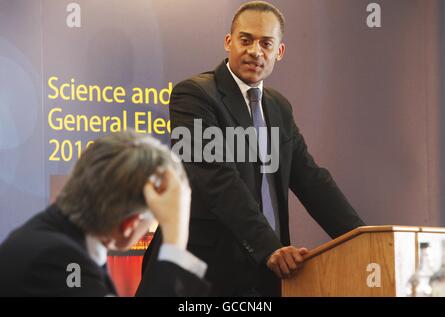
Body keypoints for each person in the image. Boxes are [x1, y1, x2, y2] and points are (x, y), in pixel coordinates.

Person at [142, 1, 366, 296]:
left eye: (266, 43)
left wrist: (364, 242)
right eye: (245, 40)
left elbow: (312, 181)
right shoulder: (193, 95)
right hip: (200, 273)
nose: (255, 51)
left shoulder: (278, 107)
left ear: (279, 52)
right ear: (228, 42)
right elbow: (216, 178)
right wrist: (269, 247)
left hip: (264, 276)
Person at [0, 131, 209, 296]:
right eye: (154, 218)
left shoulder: (48, 240)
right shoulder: (59, 261)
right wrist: (175, 238)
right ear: (129, 226)